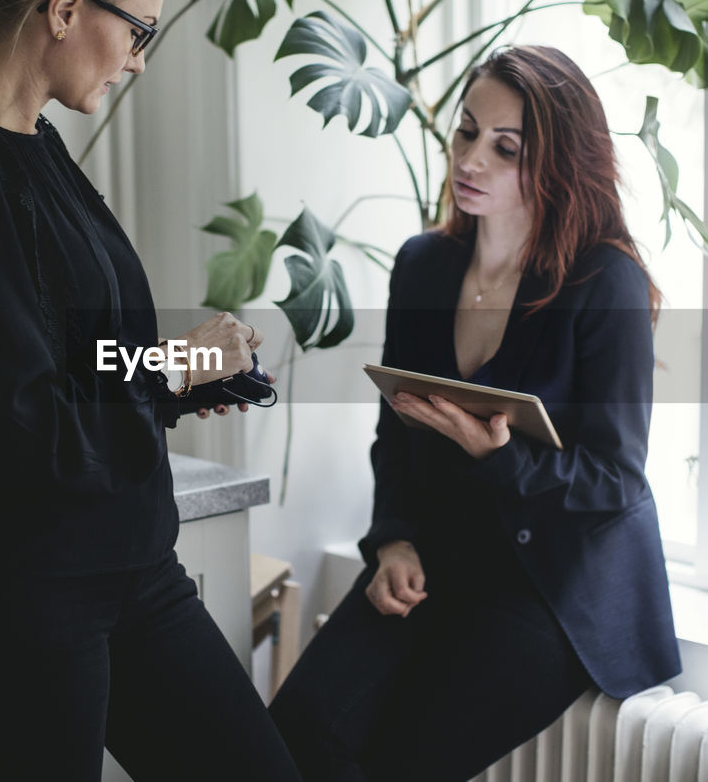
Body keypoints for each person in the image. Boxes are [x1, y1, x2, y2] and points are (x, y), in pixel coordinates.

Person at [0, 0, 301, 779]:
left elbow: (75, 361)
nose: (139, 60)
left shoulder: (40, 147)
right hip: (16, 601)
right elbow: (24, 419)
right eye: (139, 31)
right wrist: (171, 370)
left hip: (133, 571)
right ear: (66, 8)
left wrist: (180, 376)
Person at [268, 45, 681, 780]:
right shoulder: (424, 265)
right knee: (295, 729)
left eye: (506, 147)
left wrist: (500, 454)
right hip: (435, 562)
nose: (472, 159)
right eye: (466, 132)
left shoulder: (604, 282)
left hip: (547, 589)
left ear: (556, 163)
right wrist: (392, 542)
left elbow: (615, 480)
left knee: (403, 758)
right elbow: (394, 433)